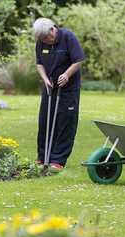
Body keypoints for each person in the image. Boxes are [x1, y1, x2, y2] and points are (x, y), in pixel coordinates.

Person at [33, 18, 85, 172]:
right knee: (45, 121)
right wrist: (44, 79)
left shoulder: (68, 37)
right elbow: (39, 63)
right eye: (42, 40)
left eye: (46, 38)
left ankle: (58, 160)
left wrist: (67, 75)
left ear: (52, 29)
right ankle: (43, 158)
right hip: (50, 87)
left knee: (65, 122)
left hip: (68, 89)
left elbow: (79, 60)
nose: (45, 42)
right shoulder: (41, 41)